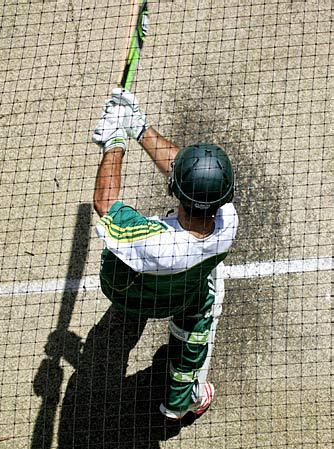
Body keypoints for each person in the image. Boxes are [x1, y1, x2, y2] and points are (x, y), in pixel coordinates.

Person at [92, 88, 238, 421]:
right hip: (181, 295)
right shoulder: (228, 223)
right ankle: (180, 402)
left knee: (121, 259)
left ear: (174, 189)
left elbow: (104, 203)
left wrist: (115, 143)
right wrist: (139, 128)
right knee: (206, 305)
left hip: (126, 293)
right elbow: (186, 173)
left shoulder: (147, 240)